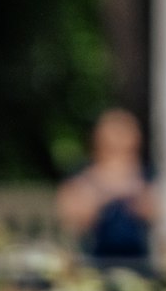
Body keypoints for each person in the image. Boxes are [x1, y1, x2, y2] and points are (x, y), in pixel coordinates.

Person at [56, 108, 160, 261]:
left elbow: (155, 211)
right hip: (93, 259)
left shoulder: (147, 175)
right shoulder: (81, 174)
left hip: (139, 260)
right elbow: (73, 217)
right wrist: (110, 190)